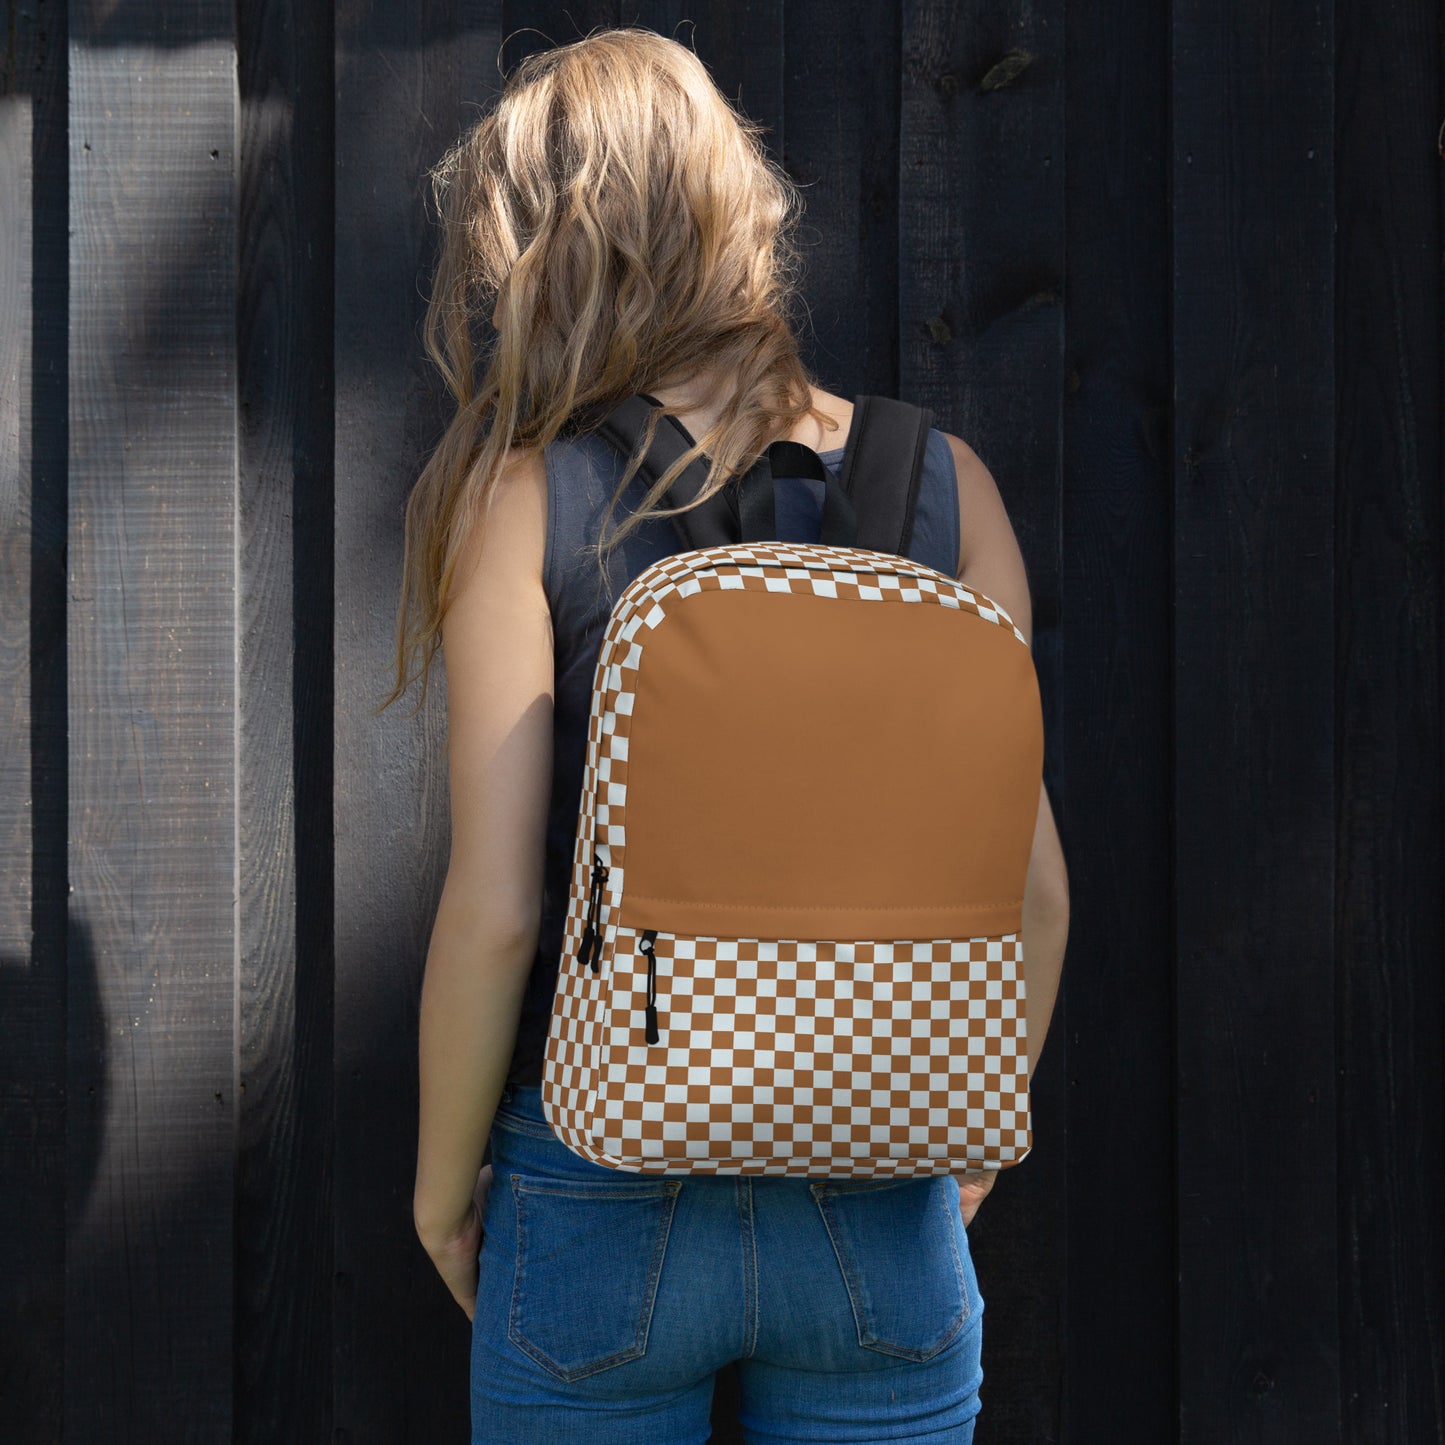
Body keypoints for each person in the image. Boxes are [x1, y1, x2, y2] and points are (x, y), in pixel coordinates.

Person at [392, 27, 1071, 1445]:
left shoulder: (525, 496)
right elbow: (1035, 894)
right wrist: (968, 1145)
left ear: (543, 253)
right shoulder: (951, 488)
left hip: (593, 1172)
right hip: (879, 1182)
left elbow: (501, 908)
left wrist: (443, 1193)